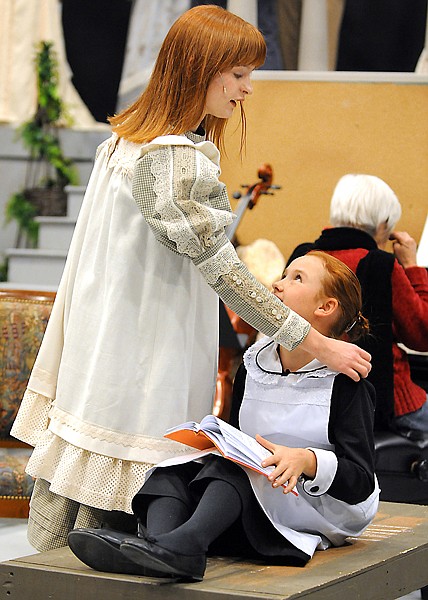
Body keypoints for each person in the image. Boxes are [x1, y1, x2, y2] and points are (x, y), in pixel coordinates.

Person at [11, 6, 370, 552]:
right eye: (240, 74)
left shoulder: (123, 145)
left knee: (87, 519)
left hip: (104, 343)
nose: (248, 90)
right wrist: (317, 342)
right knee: (144, 484)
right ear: (202, 68)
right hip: (145, 355)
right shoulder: (173, 157)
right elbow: (223, 269)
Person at [67, 251, 379, 581]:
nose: (277, 284)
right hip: (259, 496)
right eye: (284, 275)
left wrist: (307, 460)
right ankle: (161, 548)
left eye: (296, 278)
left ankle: (178, 546)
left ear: (325, 307)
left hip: (316, 509)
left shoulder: (345, 384)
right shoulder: (255, 364)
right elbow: (241, 438)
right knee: (175, 469)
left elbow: (360, 482)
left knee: (232, 470)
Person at [287, 173, 428, 433]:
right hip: (381, 402)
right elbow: (422, 335)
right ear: (383, 224)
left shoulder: (302, 257)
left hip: (307, 398)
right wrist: (412, 266)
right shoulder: (381, 265)